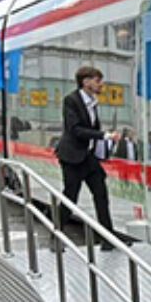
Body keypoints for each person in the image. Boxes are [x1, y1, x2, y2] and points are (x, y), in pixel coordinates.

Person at [55, 66, 118, 239]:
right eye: (97, 81)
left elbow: (91, 128)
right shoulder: (71, 100)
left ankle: (108, 238)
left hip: (88, 157)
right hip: (72, 157)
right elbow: (75, 129)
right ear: (86, 82)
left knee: (101, 194)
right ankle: (56, 235)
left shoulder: (92, 102)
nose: (101, 85)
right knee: (70, 196)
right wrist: (104, 135)